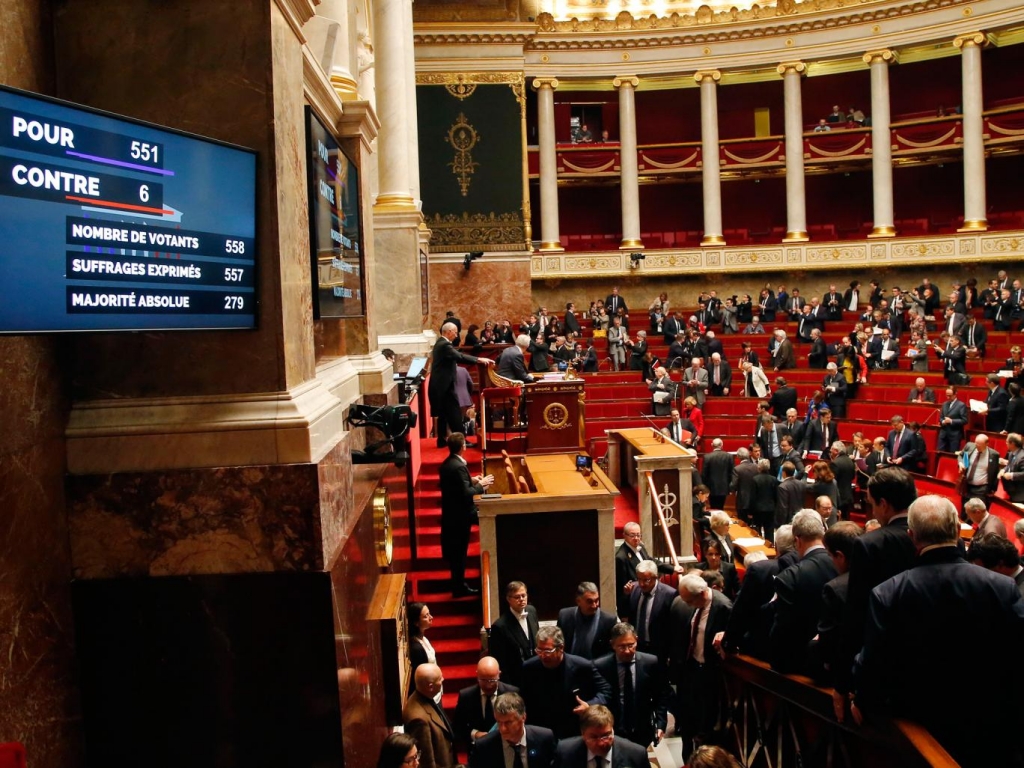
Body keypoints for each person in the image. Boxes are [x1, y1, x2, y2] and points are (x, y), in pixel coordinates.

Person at [852, 496, 1024, 767]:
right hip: (987, 726)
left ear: (911, 537)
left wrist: (861, 699)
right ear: (958, 531)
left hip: (914, 730)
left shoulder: (888, 592)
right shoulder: (1002, 587)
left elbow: (873, 665)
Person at [832, 467, 917, 723]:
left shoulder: (870, 544)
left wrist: (842, 683)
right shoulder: (931, 535)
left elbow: (856, 612)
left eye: (871, 503)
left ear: (883, 503)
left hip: (881, 665)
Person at [768, 510, 838, 675]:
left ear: (797, 541)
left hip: (799, 666)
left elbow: (782, 631)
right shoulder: (842, 564)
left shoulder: (790, 576)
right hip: (835, 664)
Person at [670, 572, 732, 757]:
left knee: (705, 723)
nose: (687, 605)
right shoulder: (691, 604)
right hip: (690, 668)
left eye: (689, 601)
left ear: (701, 594)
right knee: (687, 717)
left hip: (711, 674)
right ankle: (687, 755)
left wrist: (725, 637)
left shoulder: (723, 607)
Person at [519, 626, 611, 739]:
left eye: (548, 651)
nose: (542, 656)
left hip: (573, 732)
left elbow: (606, 691)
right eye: (539, 650)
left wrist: (589, 706)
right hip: (541, 732)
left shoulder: (582, 666)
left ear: (561, 648)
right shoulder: (529, 668)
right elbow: (523, 699)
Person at [593, 622, 671, 748]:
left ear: (636, 640)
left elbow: (661, 695)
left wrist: (660, 724)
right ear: (612, 644)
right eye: (622, 647)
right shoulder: (600, 666)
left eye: (631, 645)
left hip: (642, 728)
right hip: (613, 728)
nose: (628, 651)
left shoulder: (650, 662)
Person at [439, 432, 492, 597]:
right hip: (460, 518)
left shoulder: (447, 464)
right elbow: (465, 494)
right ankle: (459, 587)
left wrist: (472, 480)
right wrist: (482, 485)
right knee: (459, 554)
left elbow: (456, 487)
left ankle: (458, 585)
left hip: (451, 516)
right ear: (463, 447)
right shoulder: (459, 466)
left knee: (457, 554)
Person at [808, 521, 860, 684]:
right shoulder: (879, 575)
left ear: (840, 556)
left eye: (830, 555)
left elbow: (827, 646)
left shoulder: (835, 588)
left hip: (841, 675)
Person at [429, 323, 494, 446]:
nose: (456, 334)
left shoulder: (441, 343)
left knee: (443, 413)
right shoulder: (444, 345)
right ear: (448, 332)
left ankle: (442, 440)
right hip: (445, 386)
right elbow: (459, 356)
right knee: (455, 413)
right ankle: (461, 440)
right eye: (455, 332)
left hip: (440, 386)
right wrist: (479, 359)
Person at [469, 692, 557, 768]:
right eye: (499, 722)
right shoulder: (483, 747)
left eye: (508, 722)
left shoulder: (544, 738)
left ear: (523, 717)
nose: (502, 729)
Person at [615, 523, 683, 619]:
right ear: (624, 536)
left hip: (648, 593)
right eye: (632, 535)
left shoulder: (640, 547)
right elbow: (620, 589)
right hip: (634, 601)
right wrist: (624, 614)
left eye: (638, 535)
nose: (636, 538)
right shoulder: (621, 558)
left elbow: (651, 561)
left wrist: (672, 569)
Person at [552, 705, 650, 768]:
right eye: (594, 737)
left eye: (606, 735)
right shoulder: (565, 751)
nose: (601, 743)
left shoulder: (636, 754)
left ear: (613, 730)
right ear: (583, 733)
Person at [454, 656, 519, 750]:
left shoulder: (512, 693)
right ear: (477, 675)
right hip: (477, 749)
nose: (488, 685)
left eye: (492, 680)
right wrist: (475, 734)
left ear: (499, 674)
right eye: (483, 680)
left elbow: (519, 722)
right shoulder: (466, 696)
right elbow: (458, 726)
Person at [403, 664, 455, 768]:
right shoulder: (418, 720)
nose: (443, 679)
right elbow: (426, 762)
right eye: (440, 679)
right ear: (430, 686)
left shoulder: (421, 696)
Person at [488, 581, 540, 687]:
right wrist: (509, 688)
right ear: (508, 599)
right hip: (516, 681)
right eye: (517, 597)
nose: (521, 599)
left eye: (523, 595)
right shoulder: (499, 627)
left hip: (536, 676)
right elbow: (501, 663)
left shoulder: (532, 611)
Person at [628, 560, 677, 667]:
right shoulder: (634, 588)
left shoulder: (669, 594)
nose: (641, 584)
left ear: (656, 577)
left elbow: (673, 626)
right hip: (637, 647)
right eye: (639, 579)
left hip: (658, 649)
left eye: (646, 580)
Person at [557, 582, 618, 661]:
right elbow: (558, 643)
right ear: (578, 601)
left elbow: (611, 651)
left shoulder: (609, 620)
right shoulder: (565, 616)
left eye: (596, 601)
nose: (594, 605)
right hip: (569, 666)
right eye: (590, 601)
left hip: (596, 667)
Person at [960, 433, 1000, 504]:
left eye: (979, 445)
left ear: (987, 444)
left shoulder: (994, 455)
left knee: (976, 510)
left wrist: (993, 489)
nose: (977, 446)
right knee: (964, 508)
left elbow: (995, 472)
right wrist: (960, 463)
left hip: (981, 489)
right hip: (966, 485)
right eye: (976, 443)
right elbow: (961, 456)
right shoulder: (969, 446)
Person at [730, 447, 759, 526]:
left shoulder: (737, 469)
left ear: (739, 457)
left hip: (742, 500)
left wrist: (730, 490)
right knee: (754, 525)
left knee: (742, 524)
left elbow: (733, 485)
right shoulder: (756, 467)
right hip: (755, 500)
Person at [702, 439, 734, 510]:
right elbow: (731, 473)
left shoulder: (707, 457)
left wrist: (704, 488)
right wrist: (730, 487)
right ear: (722, 445)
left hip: (711, 487)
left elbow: (704, 474)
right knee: (721, 507)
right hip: (724, 487)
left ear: (712, 445)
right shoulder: (729, 456)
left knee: (713, 507)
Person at [408, 602, 437, 678]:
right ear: (416, 623)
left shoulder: (424, 638)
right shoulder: (416, 648)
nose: (431, 617)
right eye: (425, 616)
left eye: (429, 614)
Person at [937, 386, 968, 452]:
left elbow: (964, 420)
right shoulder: (944, 404)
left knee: (952, 455)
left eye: (950, 396)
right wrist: (943, 421)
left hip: (954, 435)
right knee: (940, 453)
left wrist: (951, 421)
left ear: (955, 394)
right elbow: (941, 417)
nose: (948, 397)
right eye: (947, 395)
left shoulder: (961, 405)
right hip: (943, 434)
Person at [830, 441, 856, 516]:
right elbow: (853, 476)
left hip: (838, 498)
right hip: (848, 496)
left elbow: (832, 481)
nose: (830, 451)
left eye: (831, 449)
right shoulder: (850, 461)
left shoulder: (835, 463)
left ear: (836, 451)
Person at [999, 432, 1024, 503]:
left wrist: (1011, 475)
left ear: (1012, 443)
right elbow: (1009, 465)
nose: (1006, 443)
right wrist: (1004, 470)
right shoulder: (1011, 453)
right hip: (1012, 490)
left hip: (1020, 494)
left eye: (1007, 442)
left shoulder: (1022, 457)